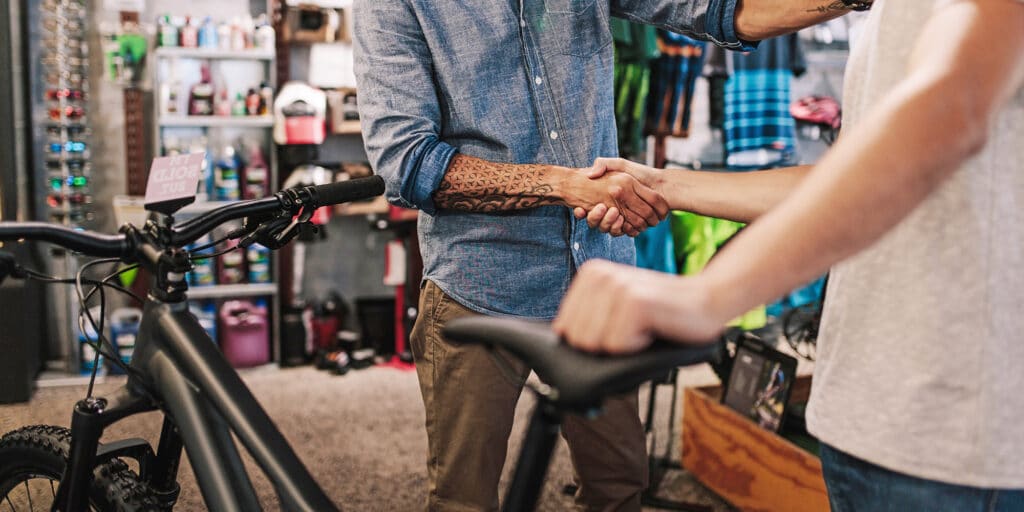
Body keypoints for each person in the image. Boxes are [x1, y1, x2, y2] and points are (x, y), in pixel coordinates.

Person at [354, 1, 859, 509]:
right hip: (478, 286)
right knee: (465, 497)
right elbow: (406, 162)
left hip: (600, 280)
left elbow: (713, 9)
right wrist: (562, 184)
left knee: (619, 486)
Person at [554, 0, 1024, 509]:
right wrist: (665, 184)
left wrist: (705, 297)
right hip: (868, 406)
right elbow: (846, 178)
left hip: (955, 432)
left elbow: (948, 109)